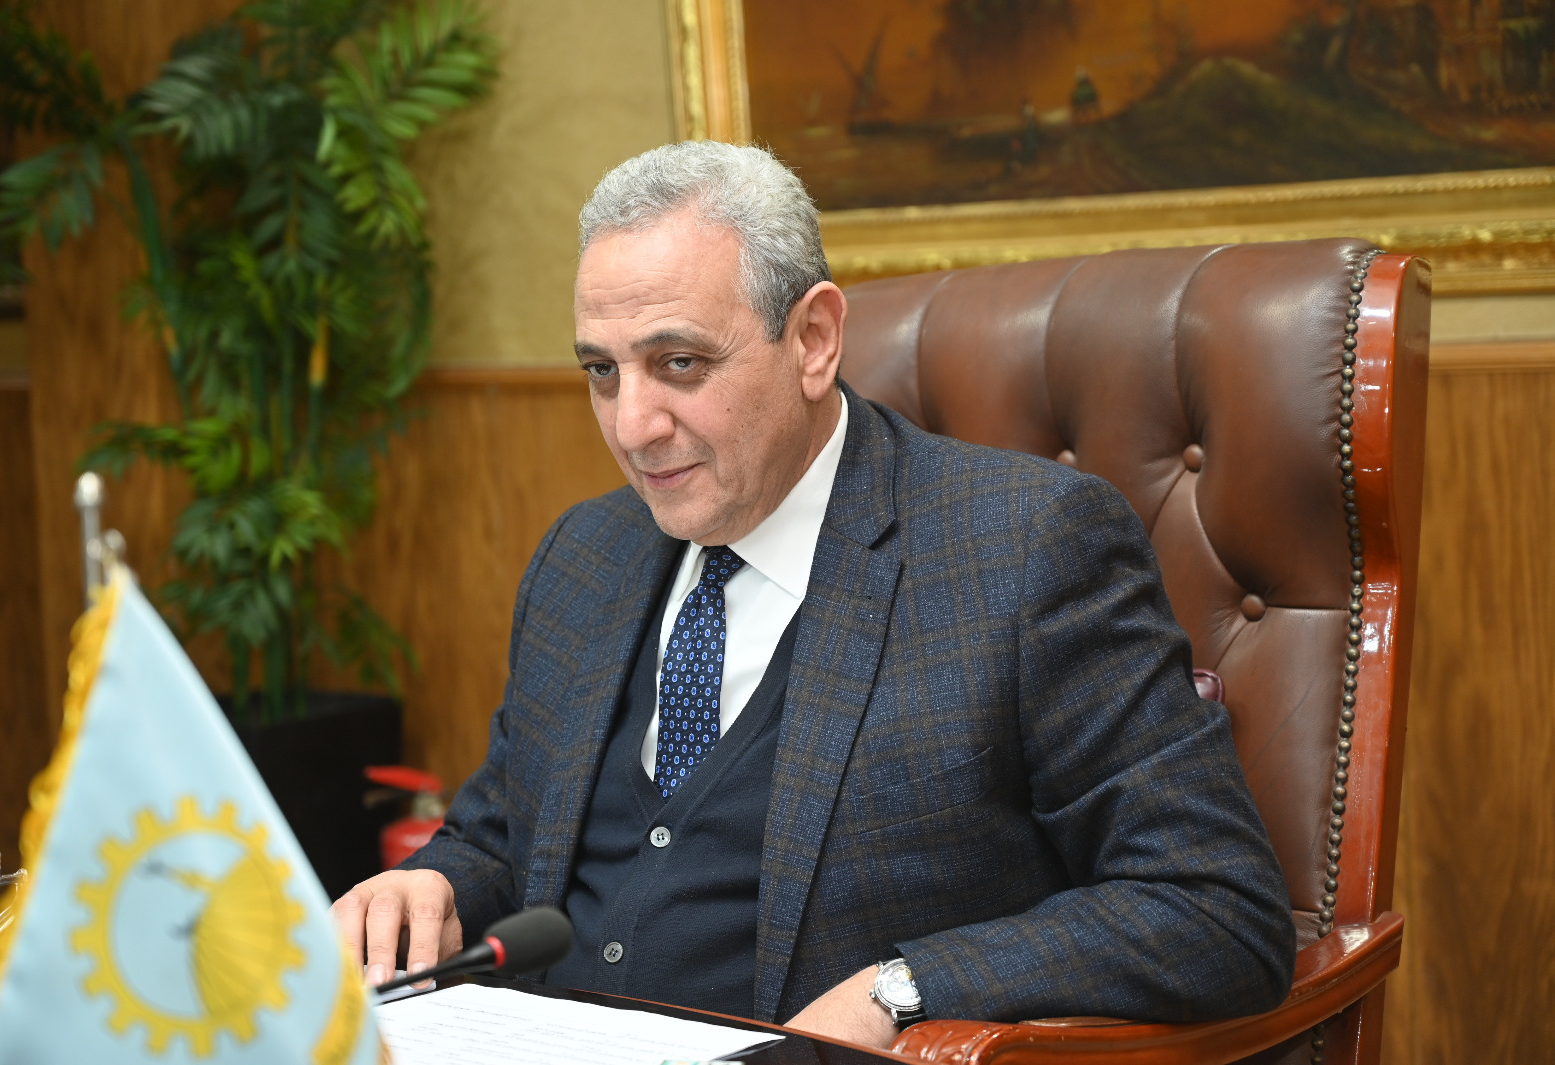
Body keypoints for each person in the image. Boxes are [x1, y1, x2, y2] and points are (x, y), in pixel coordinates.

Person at [334, 141, 1296, 1049]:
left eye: (679, 363)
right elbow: (502, 837)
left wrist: (903, 988)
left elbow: (1215, 906)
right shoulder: (582, 556)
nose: (631, 425)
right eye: (601, 371)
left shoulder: (1026, 549)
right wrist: (429, 884)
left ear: (813, 340)